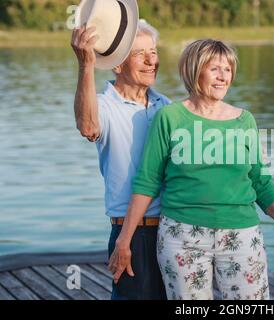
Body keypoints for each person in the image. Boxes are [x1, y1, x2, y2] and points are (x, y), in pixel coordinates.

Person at [108, 39, 274, 300]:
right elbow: (148, 181)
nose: (222, 76)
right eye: (214, 68)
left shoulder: (244, 121)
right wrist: (125, 239)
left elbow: (260, 182)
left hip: (242, 236)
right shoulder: (170, 117)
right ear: (194, 70)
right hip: (182, 236)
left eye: (227, 69)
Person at [71, 0, 170, 300]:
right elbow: (88, 126)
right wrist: (86, 65)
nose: (151, 60)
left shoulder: (166, 106)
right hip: (132, 234)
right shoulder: (105, 106)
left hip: (172, 229)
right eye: (141, 54)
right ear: (118, 64)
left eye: (153, 52)